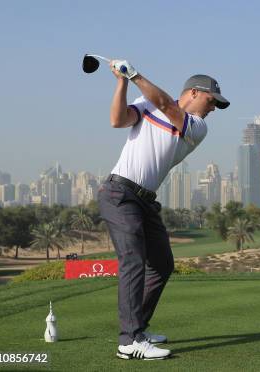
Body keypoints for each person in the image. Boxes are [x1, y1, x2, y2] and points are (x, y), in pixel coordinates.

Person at [98, 59, 229, 360]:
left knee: (161, 264)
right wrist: (121, 81)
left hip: (145, 200)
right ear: (194, 92)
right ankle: (129, 341)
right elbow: (118, 120)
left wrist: (134, 74)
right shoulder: (147, 102)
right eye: (212, 101)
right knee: (133, 260)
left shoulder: (197, 127)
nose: (213, 108)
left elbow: (167, 107)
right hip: (119, 192)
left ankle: (138, 328)